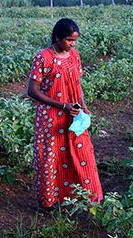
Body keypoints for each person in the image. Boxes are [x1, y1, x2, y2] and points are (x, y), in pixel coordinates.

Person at [26, 18, 102, 209]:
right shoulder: (43, 58)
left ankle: (86, 199)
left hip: (74, 115)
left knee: (82, 155)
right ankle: (50, 203)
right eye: (69, 40)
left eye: (74, 40)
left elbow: (77, 84)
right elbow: (32, 91)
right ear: (58, 37)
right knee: (52, 158)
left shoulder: (75, 56)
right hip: (51, 118)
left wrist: (83, 106)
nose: (72, 44)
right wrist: (62, 106)